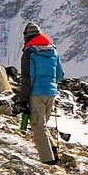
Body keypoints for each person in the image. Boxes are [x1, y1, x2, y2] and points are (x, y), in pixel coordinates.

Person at [14, 23, 65, 165]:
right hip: (51, 93)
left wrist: (23, 100)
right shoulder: (53, 51)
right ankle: (53, 149)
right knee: (42, 125)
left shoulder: (29, 53)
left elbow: (27, 78)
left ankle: (48, 161)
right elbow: (59, 75)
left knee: (37, 126)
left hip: (36, 93)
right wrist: (50, 84)